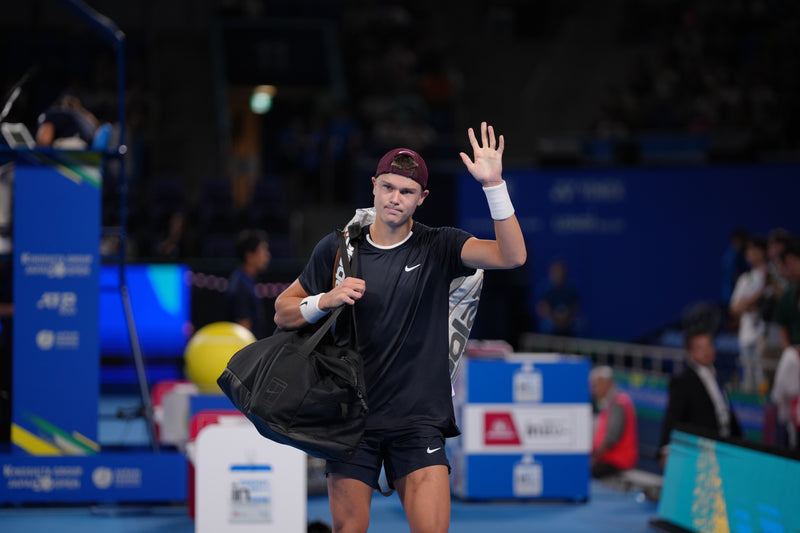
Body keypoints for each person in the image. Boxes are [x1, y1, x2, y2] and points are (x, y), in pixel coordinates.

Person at [274, 122, 526, 533]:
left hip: (418, 421)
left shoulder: (441, 245)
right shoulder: (337, 248)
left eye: (406, 192)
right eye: (388, 187)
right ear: (373, 185)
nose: (395, 198)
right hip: (351, 419)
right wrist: (325, 300)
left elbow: (512, 256)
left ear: (422, 198)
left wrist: (494, 185)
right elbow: (282, 312)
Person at [658, 326, 742, 468]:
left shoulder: (717, 376)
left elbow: (725, 410)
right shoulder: (683, 380)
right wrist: (666, 448)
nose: (706, 351)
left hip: (723, 444)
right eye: (700, 348)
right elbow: (672, 417)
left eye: (709, 346)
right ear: (690, 353)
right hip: (700, 450)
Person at [728, 236, 769, 393]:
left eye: (754, 250)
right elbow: (734, 308)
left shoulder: (771, 275)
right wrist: (755, 298)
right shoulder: (745, 279)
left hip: (764, 336)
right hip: (746, 336)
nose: (750, 254)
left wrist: (747, 303)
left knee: (763, 378)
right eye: (748, 250)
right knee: (748, 380)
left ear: (762, 252)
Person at [770, 237, 800, 449]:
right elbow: (783, 328)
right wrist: (790, 349)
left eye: (786, 264)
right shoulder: (789, 294)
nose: (783, 270)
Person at [589, 366, 638, 478]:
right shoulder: (610, 402)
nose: (593, 390)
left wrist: (594, 457)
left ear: (605, 383)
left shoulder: (618, 403)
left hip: (617, 461)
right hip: (609, 459)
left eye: (595, 385)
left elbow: (611, 438)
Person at [227, 229, 271, 339]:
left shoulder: (247, 282)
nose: (268, 256)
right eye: (263, 251)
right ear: (250, 256)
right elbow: (244, 331)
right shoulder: (240, 286)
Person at [35, 94, 99, 148]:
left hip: (72, 148)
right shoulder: (85, 117)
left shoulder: (54, 113)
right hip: (89, 151)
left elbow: (44, 141)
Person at [535, 259, 579, 336]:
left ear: (565, 273)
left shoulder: (571, 291)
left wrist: (565, 319)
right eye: (555, 271)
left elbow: (574, 308)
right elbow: (542, 309)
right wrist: (555, 318)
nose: (557, 274)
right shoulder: (546, 290)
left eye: (559, 271)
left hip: (567, 323)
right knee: (546, 324)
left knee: (577, 324)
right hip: (552, 322)